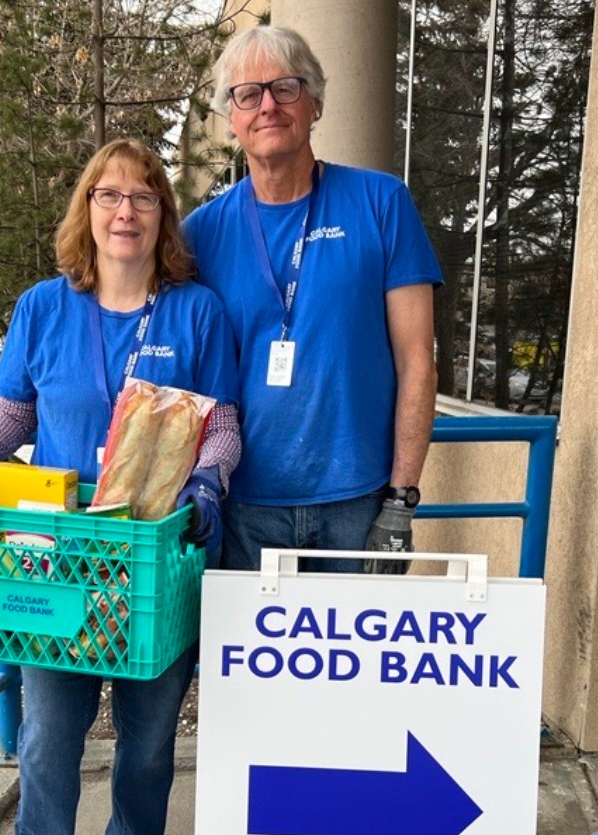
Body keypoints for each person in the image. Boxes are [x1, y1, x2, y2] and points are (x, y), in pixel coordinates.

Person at [0, 139, 240, 835]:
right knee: (46, 737)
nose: (125, 211)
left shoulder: (196, 311)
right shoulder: (43, 307)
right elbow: (18, 414)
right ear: (87, 210)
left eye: (143, 197)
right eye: (108, 195)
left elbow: (223, 425)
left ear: (163, 216)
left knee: (146, 740)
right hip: (60, 559)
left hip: (151, 563)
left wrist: (210, 480)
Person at [183, 25, 442, 575]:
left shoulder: (381, 203)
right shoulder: (199, 235)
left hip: (360, 502)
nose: (268, 106)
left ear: (316, 102)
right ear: (231, 118)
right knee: (250, 664)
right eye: (248, 94)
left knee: (360, 664)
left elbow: (418, 359)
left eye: (286, 87)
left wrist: (401, 499)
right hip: (240, 505)